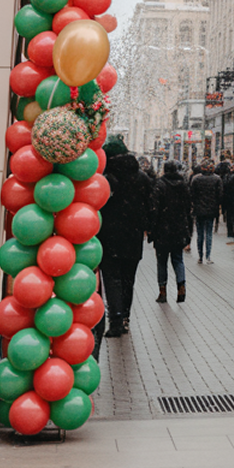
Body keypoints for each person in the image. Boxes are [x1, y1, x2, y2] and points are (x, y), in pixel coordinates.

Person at [99, 135, 152, 337]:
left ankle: (116, 321)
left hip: (108, 236)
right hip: (133, 237)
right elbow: (150, 206)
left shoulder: (105, 178)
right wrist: (146, 227)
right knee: (128, 279)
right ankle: (125, 317)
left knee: (112, 279)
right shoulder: (142, 177)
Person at [151, 160, 194, 303]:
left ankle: (162, 291)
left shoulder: (159, 185)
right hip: (179, 228)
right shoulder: (183, 185)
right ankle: (181, 287)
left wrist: (152, 229)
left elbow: (155, 209)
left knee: (161, 262)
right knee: (178, 259)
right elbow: (188, 208)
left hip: (162, 230)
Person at [189, 158, 222, 264]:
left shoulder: (196, 179)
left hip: (199, 210)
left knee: (200, 234)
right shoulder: (217, 179)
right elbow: (220, 195)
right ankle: (208, 256)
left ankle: (200, 256)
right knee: (209, 233)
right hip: (211, 210)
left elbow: (192, 194)